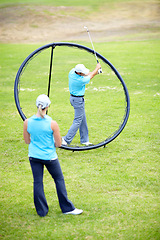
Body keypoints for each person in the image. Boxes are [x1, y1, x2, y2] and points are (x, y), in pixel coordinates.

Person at [23, 94, 83, 216]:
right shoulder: (52, 123)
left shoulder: (27, 122)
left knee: (38, 182)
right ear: (48, 106)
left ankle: (42, 211)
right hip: (49, 157)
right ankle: (67, 208)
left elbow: (27, 141)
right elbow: (59, 144)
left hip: (34, 157)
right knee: (59, 180)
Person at [62, 62, 101, 146]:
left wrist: (96, 72)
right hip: (78, 100)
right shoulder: (80, 80)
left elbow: (87, 74)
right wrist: (97, 68)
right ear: (79, 73)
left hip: (74, 99)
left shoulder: (72, 72)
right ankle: (66, 139)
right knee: (78, 121)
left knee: (83, 119)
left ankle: (84, 140)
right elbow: (89, 76)